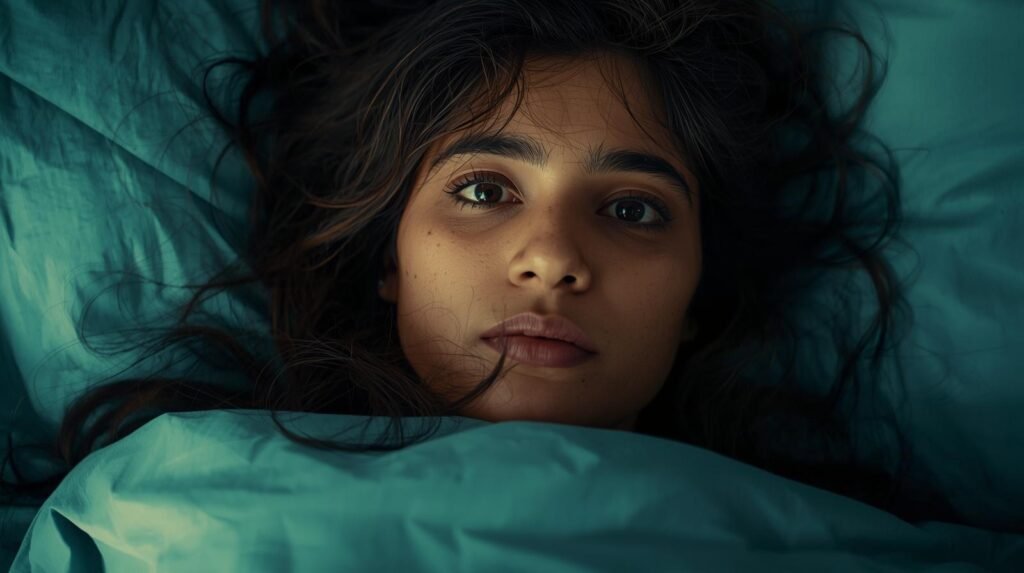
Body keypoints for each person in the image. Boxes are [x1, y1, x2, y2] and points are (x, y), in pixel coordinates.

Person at [5, 0, 960, 522]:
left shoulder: (831, 540)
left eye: (633, 209)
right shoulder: (176, 501)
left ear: (698, 297)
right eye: (483, 189)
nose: (551, 258)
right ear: (389, 256)